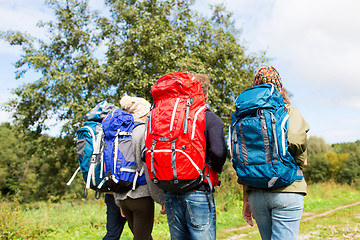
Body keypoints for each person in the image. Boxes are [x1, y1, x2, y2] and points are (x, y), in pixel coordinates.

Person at [241, 66, 310, 240]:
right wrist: (300, 158)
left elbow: (243, 157)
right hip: (287, 189)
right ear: (280, 86)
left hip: (256, 192)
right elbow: (295, 139)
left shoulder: (246, 115)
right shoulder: (287, 110)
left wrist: (246, 198)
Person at [164, 73, 228, 240]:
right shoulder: (210, 118)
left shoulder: (169, 118)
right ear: (206, 94)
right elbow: (218, 152)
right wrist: (215, 168)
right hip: (198, 190)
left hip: (171, 191)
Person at [113, 95, 165, 240]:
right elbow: (148, 169)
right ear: (144, 114)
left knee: (143, 237)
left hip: (123, 198)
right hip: (141, 196)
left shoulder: (118, 133)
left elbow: (114, 167)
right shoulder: (143, 132)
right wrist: (162, 198)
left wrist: (118, 201)